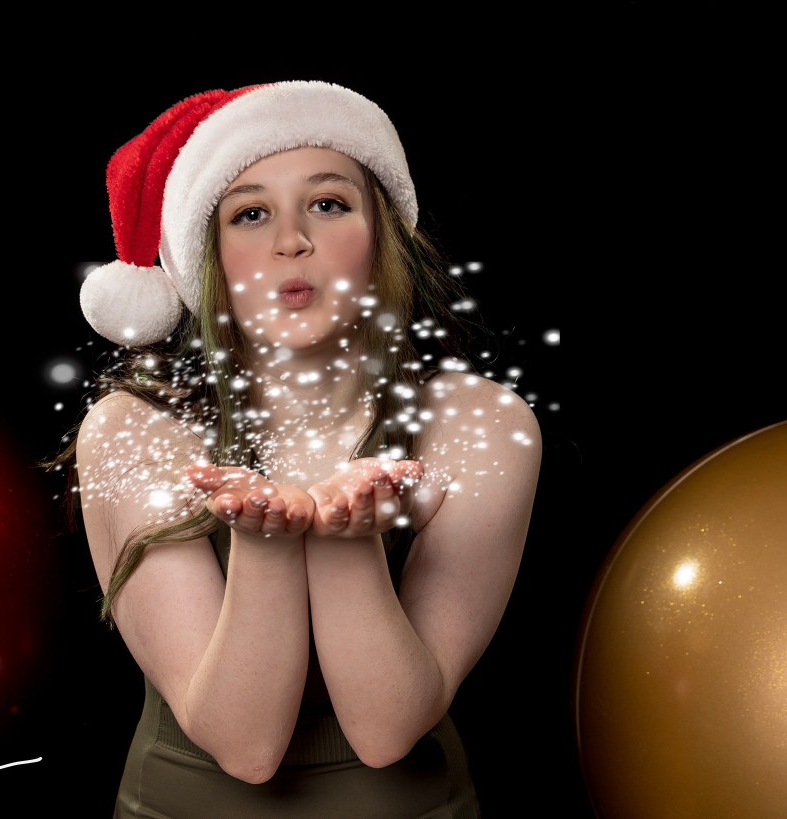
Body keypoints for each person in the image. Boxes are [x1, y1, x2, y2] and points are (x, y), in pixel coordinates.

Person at [59, 80, 542, 818]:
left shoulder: (477, 424)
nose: (293, 240)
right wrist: (268, 542)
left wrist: (347, 542)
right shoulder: (132, 431)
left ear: (383, 231)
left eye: (328, 202)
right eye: (251, 213)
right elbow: (245, 744)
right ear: (206, 255)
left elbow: (387, 731)